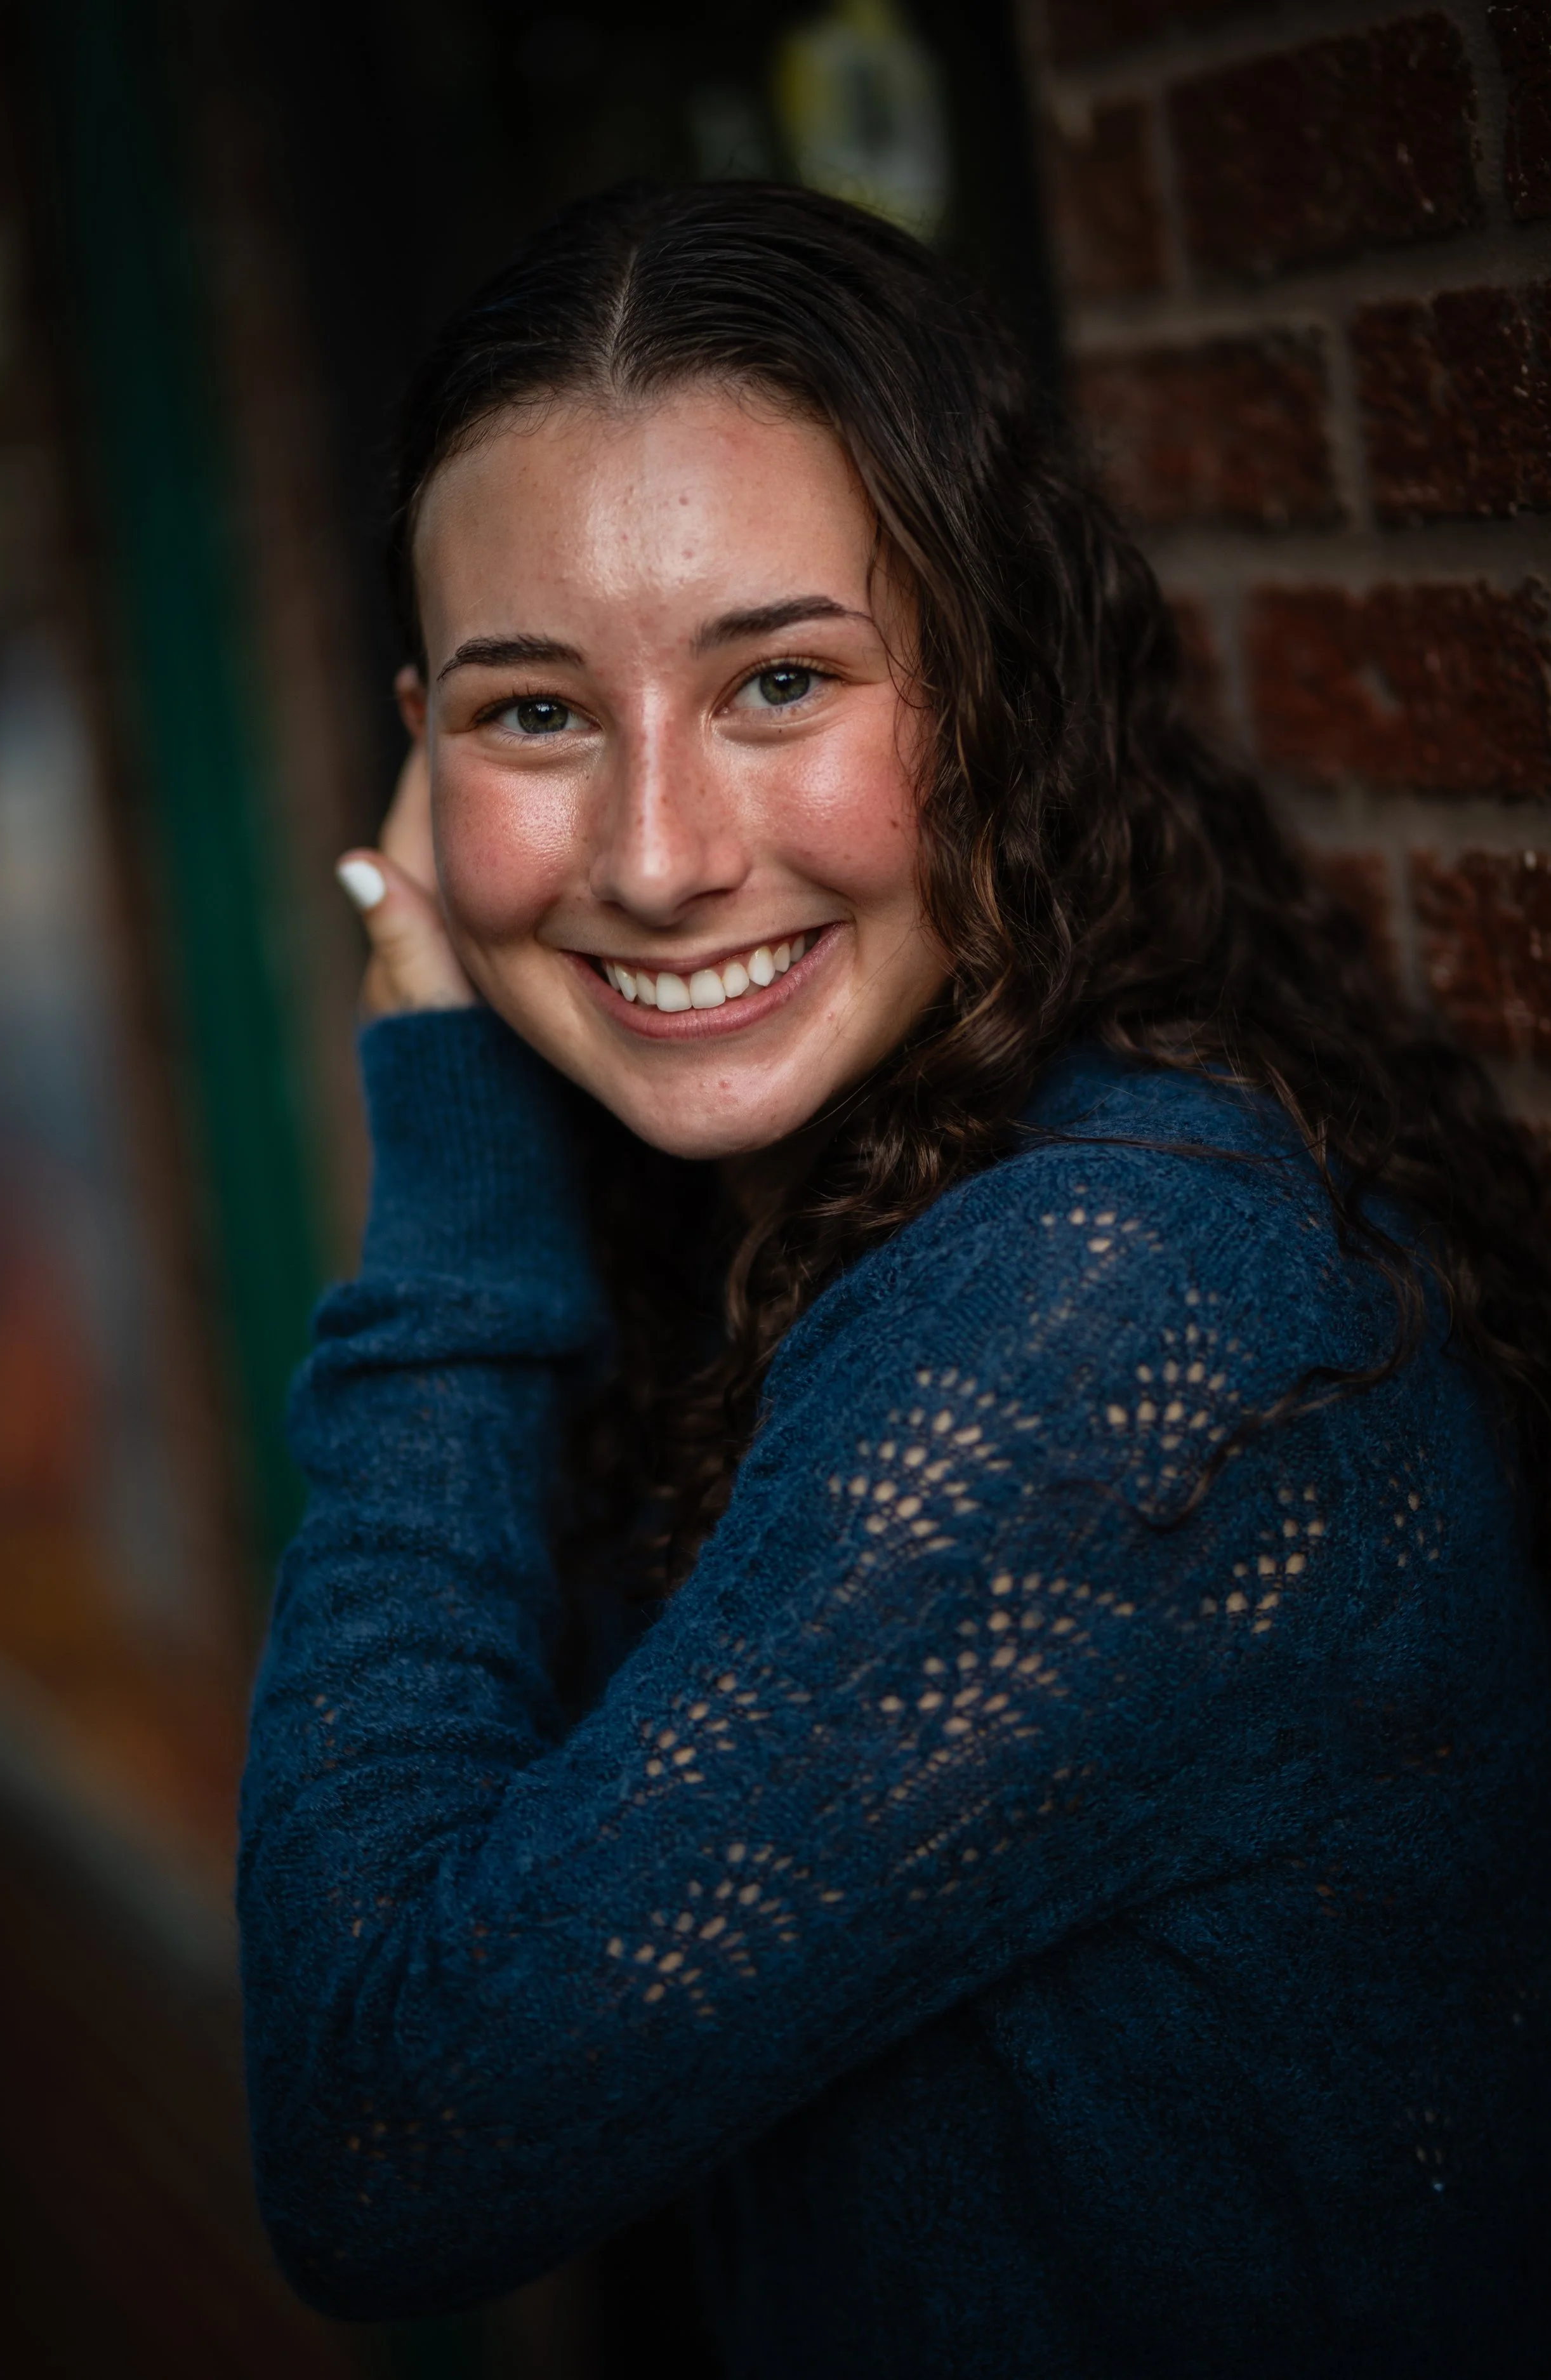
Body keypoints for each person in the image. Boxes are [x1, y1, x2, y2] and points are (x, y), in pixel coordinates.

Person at [237, 183, 1551, 2376]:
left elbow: (389, 2130)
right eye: (534, 715)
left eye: (778, 680)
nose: (655, 857)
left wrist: (451, 1146)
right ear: (418, 740)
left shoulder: (1106, 1301)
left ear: (999, 692)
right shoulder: (806, 1197)